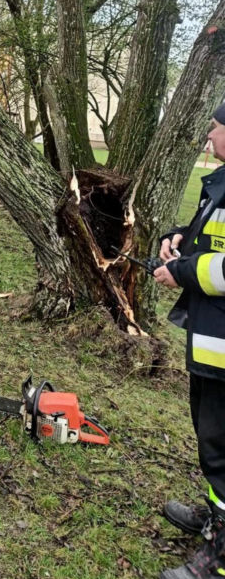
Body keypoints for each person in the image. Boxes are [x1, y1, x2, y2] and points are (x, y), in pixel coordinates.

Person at [155, 104, 225, 579]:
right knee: (212, 437)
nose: (209, 134)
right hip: (213, 340)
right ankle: (217, 518)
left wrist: (180, 271)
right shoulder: (221, 183)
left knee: (223, 444)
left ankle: (221, 555)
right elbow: (213, 240)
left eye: (215, 128)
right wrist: (178, 237)